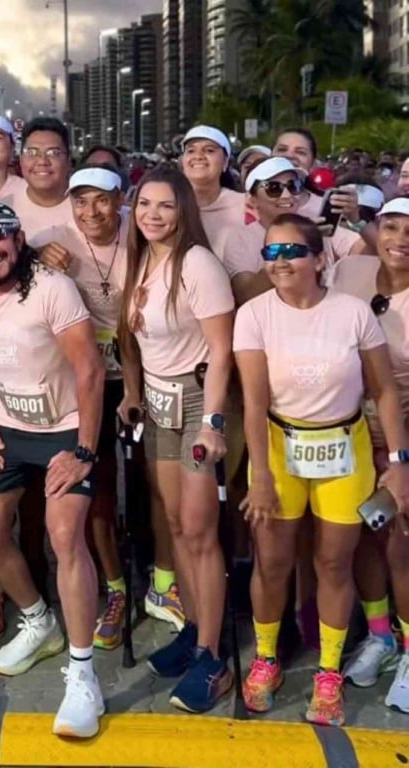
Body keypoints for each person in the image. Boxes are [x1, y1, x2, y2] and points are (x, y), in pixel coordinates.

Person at [234, 212, 409, 726]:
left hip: (344, 447)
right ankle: (266, 657)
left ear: (319, 258)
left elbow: (384, 391)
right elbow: (253, 401)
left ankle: (328, 670)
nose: (281, 262)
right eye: (272, 252)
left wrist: (398, 463)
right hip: (279, 446)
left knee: (334, 563)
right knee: (272, 562)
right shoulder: (256, 315)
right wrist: (260, 475)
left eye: (293, 251)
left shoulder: (352, 312)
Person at [0, 201, 106, 738]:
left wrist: (84, 448)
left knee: (66, 537)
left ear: (17, 240)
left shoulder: (51, 287)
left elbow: (89, 367)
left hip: (64, 427)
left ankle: (84, 675)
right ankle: (40, 621)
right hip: (7, 426)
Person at [118, 166, 235, 713]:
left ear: (183, 210)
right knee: (172, 524)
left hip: (194, 403)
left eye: (165, 206)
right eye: (145, 205)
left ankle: (214, 656)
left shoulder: (197, 263)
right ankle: (193, 630)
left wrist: (213, 423)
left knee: (198, 531)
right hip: (159, 405)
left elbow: (221, 349)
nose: (153, 215)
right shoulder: (142, 260)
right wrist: (133, 392)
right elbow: (134, 340)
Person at [41, 165, 153, 648]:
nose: (92, 211)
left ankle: (162, 581)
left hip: (143, 372)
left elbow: (128, 329)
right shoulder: (56, 239)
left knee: (154, 489)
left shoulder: (140, 238)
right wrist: (38, 256)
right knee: (99, 489)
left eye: (102, 200)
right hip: (82, 383)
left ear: (122, 199)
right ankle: (115, 586)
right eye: (81, 201)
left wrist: (132, 390)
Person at [333, 197, 409, 713]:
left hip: (401, 438)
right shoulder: (353, 269)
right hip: (350, 433)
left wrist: (401, 459)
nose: (400, 238)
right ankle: (380, 635)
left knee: (401, 544)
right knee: (361, 535)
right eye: (391, 226)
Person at [223, 157, 366, 307]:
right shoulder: (240, 237)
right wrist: (295, 244)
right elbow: (245, 294)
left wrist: (355, 220)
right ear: (252, 200)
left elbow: (366, 253)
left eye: (293, 186)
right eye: (274, 188)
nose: (286, 195)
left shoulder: (315, 224)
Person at [180, 125, 244, 260]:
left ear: (225, 161)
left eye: (209, 150)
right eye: (190, 151)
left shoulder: (245, 205)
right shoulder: (170, 204)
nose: (198, 156)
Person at [11, 117, 73, 248]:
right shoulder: (4, 211)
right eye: (32, 152)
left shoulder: (88, 209)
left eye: (53, 153)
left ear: (68, 160)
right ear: (21, 160)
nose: (42, 161)